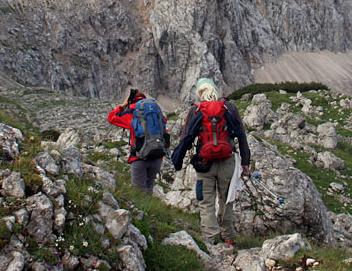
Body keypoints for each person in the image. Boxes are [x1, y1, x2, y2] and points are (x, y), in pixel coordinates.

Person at [171, 78, 250, 246]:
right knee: (227, 199)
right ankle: (228, 237)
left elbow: (185, 137)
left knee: (206, 201)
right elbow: (241, 135)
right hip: (228, 161)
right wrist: (245, 162)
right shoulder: (229, 107)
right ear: (215, 90)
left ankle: (210, 238)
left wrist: (178, 160)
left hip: (204, 163)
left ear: (199, 93)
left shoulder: (195, 110)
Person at [107, 88, 166, 193]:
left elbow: (111, 117)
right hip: (157, 156)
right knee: (149, 187)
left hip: (139, 157)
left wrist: (123, 105)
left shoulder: (132, 112)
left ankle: (144, 209)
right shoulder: (155, 112)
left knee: (139, 192)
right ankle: (150, 209)